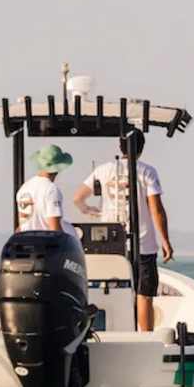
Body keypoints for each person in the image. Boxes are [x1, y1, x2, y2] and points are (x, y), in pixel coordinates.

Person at [72, 130, 173, 331]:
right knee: (144, 294)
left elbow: (78, 198)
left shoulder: (104, 170)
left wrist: (88, 210)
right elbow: (156, 209)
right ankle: (145, 337)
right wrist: (166, 241)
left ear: (120, 147)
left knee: (110, 290)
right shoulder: (147, 171)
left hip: (110, 244)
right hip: (143, 243)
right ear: (142, 148)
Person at [15, 144, 79, 238]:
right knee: (70, 230)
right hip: (46, 246)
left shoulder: (24, 188)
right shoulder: (51, 189)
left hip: (27, 245)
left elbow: (22, 226)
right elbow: (54, 229)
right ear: (58, 169)